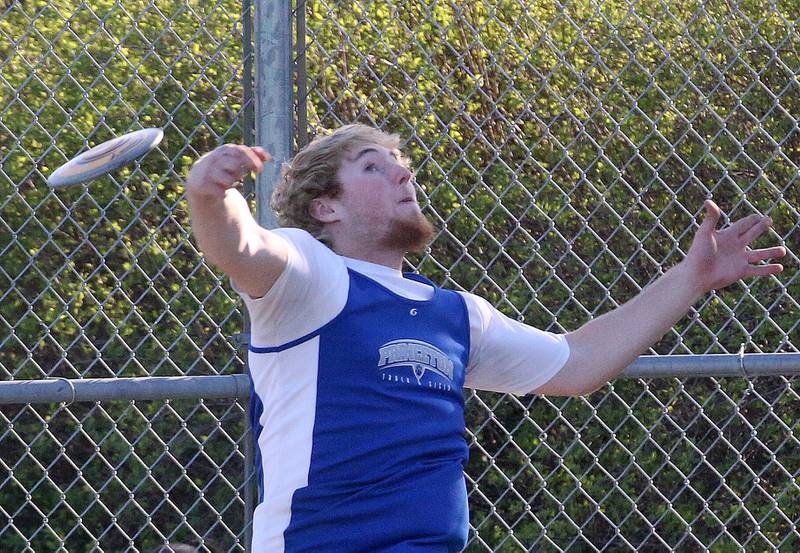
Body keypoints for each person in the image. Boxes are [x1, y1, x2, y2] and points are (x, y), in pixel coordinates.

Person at [185, 124, 786, 552]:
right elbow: (239, 245)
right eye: (372, 165)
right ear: (325, 210)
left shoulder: (455, 315)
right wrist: (211, 195)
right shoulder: (308, 274)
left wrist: (691, 278)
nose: (401, 171)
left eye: (400, 163)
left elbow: (579, 363)